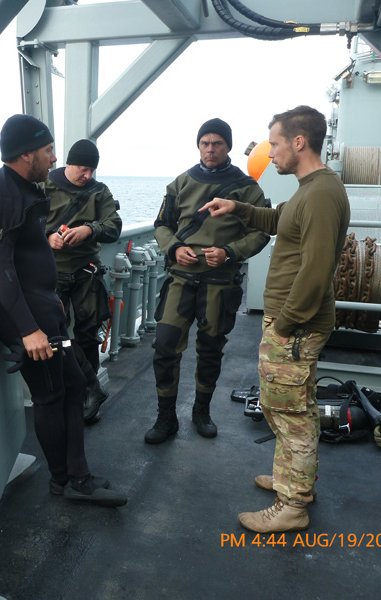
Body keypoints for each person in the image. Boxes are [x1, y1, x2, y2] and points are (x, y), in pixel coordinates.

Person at [0, 114, 127, 508]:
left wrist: (51, 304)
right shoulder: (2, 196)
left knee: (73, 386)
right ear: (26, 154)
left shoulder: (25, 189)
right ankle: (65, 481)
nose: (54, 158)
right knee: (51, 396)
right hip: (28, 319)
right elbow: (1, 273)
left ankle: (78, 474)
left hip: (45, 308)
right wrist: (28, 331)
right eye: (48, 150)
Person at [200, 106, 350, 533]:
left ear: (299, 143)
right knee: (286, 406)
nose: (272, 152)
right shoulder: (310, 190)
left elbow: (315, 271)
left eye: (276, 144)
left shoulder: (320, 193)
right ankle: (292, 478)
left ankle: (293, 505)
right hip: (294, 324)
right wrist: (237, 208)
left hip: (296, 326)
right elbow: (279, 221)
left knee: (291, 413)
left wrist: (283, 325)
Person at [145, 118, 270, 444]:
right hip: (181, 280)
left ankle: (201, 411)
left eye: (217, 143)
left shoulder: (248, 189)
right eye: (205, 143)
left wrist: (230, 252)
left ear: (228, 146)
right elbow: (162, 224)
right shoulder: (181, 183)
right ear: (198, 145)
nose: (210, 149)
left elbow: (261, 233)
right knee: (164, 346)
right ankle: (166, 417)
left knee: (211, 349)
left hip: (220, 283)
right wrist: (175, 247)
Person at [43, 139, 122, 423]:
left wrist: (89, 229)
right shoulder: (45, 186)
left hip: (87, 271)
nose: (87, 175)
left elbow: (114, 227)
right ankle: (89, 386)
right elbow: (27, 222)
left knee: (88, 333)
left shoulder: (99, 192)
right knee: (55, 332)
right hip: (51, 272)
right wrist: (47, 235)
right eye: (83, 168)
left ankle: (85, 398)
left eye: (91, 170)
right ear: (69, 162)